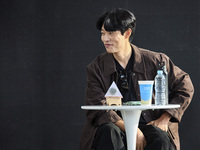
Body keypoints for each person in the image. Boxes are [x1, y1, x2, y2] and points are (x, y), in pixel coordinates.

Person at [80, 8, 194, 150]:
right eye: (103, 33)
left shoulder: (156, 60)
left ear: (127, 33)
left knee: (160, 139)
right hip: (114, 125)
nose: (105, 39)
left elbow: (185, 85)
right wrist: (131, 130)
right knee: (108, 132)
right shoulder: (96, 67)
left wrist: (164, 118)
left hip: (148, 122)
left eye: (110, 33)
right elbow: (97, 108)